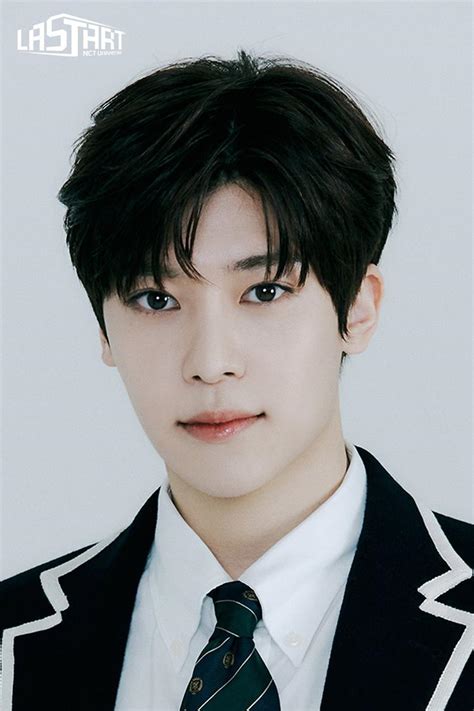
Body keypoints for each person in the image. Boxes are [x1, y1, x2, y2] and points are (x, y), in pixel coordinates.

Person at [1, 50, 472, 711]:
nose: (211, 360)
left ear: (358, 309)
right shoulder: (12, 643)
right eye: (156, 299)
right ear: (103, 328)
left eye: (265, 290)